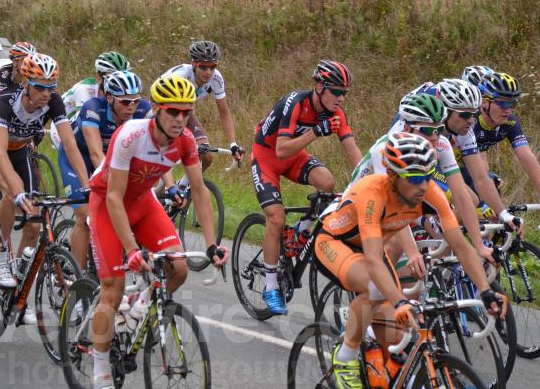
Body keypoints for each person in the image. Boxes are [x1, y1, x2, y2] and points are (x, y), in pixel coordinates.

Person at [314, 132, 506, 389]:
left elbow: (460, 246)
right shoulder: (373, 192)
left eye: (426, 175)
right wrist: (400, 301)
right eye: (413, 178)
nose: (421, 185)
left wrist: (486, 292)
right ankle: (344, 357)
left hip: (371, 252)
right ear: (393, 176)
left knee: (399, 345)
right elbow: (374, 261)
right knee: (375, 290)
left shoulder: (430, 193)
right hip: (337, 243)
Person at [86, 75, 228, 389]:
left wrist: (211, 244)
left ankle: (138, 306)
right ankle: (100, 368)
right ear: (159, 111)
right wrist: (133, 251)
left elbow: (199, 191)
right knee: (112, 288)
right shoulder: (130, 135)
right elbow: (114, 197)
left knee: (178, 268)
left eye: (186, 112)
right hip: (108, 202)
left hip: (143, 203)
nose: (181, 119)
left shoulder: (186, 140)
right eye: (174, 112)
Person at [0, 53, 90, 323]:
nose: (46, 93)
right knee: (13, 193)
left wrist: (87, 184)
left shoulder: (54, 102)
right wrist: (17, 189)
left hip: (19, 150)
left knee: (35, 225)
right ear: (26, 84)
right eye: (40, 86)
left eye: (51, 86)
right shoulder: (4, 103)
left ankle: (16, 294)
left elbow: (70, 144)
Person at [251, 59, 363, 315]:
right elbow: (280, 150)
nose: (341, 98)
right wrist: (316, 132)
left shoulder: (335, 113)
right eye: (336, 91)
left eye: (344, 93)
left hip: (295, 157)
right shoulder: (295, 103)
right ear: (320, 87)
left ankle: (300, 230)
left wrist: (366, 181)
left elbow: (353, 151)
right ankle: (270, 286)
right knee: (276, 218)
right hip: (267, 157)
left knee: (327, 184)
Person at [346, 91, 495, 273]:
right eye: (426, 130)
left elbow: (461, 195)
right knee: (395, 246)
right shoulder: (385, 149)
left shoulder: (441, 144)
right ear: (408, 128)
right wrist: (412, 252)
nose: (434, 137)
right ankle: (374, 294)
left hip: (400, 200)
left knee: (444, 236)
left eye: (439, 130)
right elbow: (391, 205)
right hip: (361, 204)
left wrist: (479, 245)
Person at [58, 69, 151, 271]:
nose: (132, 107)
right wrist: (114, 182)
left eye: (135, 100)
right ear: (109, 97)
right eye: (125, 102)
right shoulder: (93, 108)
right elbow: (95, 153)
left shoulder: (144, 110)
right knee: (85, 215)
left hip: (112, 162)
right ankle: (78, 277)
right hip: (79, 160)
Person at [453, 70, 540, 220]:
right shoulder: (470, 122)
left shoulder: (510, 122)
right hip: (444, 166)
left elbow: (526, 156)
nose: (508, 110)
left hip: (466, 166)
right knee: (471, 205)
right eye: (503, 103)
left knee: (491, 214)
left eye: (512, 103)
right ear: (484, 102)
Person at [161, 41, 244, 170]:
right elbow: (167, 109)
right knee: (166, 151)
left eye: (212, 66)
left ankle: (183, 187)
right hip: (164, 108)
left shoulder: (216, 78)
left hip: (185, 110)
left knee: (206, 156)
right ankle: (165, 185)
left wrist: (233, 144)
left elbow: (224, 113)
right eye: (203, 67)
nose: (208, 72)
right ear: (193, 64)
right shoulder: (180, 77)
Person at [48, 51, 130, 149]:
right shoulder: (85, 89)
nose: (119, 82)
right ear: (100, 77)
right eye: (113, 77)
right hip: (62, 126)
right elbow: (83, 126)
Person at [0, 41, 36, 105]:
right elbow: (2, 101)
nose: (29, 65)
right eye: (24, 61)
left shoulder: (34, 74)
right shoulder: (4, 73)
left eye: (32, 61)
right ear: (14, 62)